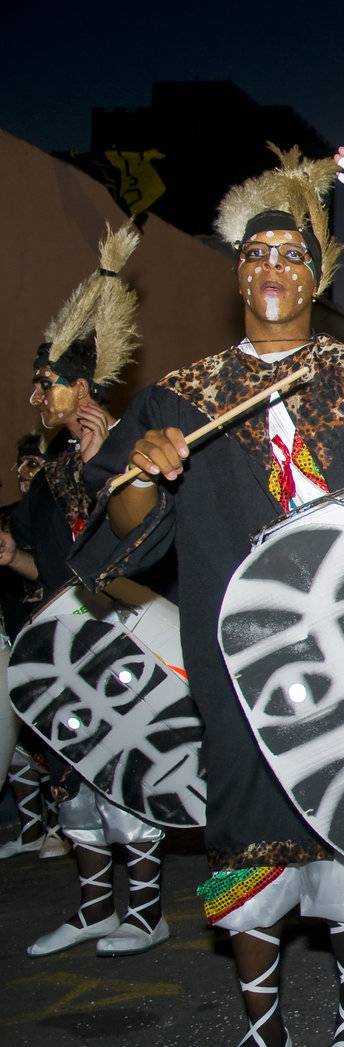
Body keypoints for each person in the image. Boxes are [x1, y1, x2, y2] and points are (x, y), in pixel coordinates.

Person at [72, 144, 344, 1047]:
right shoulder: (182, 393)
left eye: (292, 255)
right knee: (240, 836)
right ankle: (261, 1026)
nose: (274, 266)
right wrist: (146, 470)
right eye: (257, 254)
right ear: (238, 272)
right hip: (242, 657)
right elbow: (121, 519)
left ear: (313, 274)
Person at [6, 223, 172, 958]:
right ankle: (94, 907)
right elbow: (52, 573)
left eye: (48, 382)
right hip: (63, 640)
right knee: (75, 779)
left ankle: (147, 911)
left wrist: (112, 464)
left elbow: (145, 541)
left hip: (118, 635)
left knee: (124, 766)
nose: (36, 394)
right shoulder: (44, 479)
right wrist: (13, 557)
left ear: (81, 385)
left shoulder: (122, 441)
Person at [1, 433, 64, 864]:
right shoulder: (13, 517)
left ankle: (60, 826)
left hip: (58, 639)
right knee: (21, 749)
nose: (23, 473)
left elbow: (48, 571)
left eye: (32, 463)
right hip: (16, 641)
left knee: (61, 736)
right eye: (20, 465)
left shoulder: (61, 506)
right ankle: (31, 826)